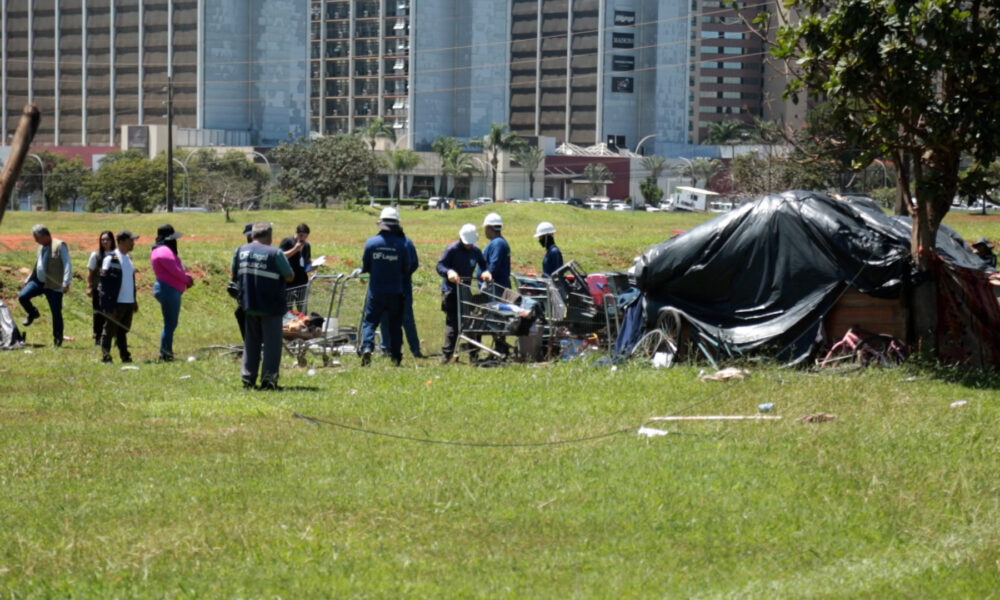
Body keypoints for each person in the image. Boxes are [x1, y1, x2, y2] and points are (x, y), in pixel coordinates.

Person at [232, 222, 293, 390]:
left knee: (251, 341)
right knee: (272, 344)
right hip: (271, 305)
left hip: (249, 303)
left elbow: (235, 273)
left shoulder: (240, 250)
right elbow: (289, 276)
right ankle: (269, 379)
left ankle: (247, 378)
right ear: (269, 236)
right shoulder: (275, 252)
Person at [359, 206, 410, 366]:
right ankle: (396, 356)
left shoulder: (371, 243)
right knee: (395, 324)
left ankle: (367, 347)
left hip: (376, 291)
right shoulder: (402, 244)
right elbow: (406, 267)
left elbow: (365, 266)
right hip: (395, 291)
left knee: (370, 322)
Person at [436, 223, 492, 363]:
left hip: (465, 291)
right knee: (453, 324)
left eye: (471, 244)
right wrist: (449, 272)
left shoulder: (476, 251)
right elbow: (440, 266)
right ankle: (447, 356)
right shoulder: (452, 249)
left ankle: (473, 354)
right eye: (467, 243)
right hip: (451, 291)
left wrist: (485, 271)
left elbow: (483, 264)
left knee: (471, 322)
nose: (468, 246)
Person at [19, 224, 72, 347]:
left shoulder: (60, 245)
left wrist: (66, 281)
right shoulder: (41, 246)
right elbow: (38, 264)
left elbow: (67, 264)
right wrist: (28, 279)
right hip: (38, 282)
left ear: (44, 236)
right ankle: (33, 313)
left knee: (56, 312)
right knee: (23, 296)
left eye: (37, 237)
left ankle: (58, 338)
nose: (35, 240)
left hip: (54, 285)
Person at [379, 211, 423, 358]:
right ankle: (408, 349)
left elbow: (413, 264)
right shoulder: (405, 241)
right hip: (399, 287)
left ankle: (392, 348)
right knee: (400, 318)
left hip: (393, 287)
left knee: (400, 318)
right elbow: (414, 264)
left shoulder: (403, 242)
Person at [151, 224, 194, 361]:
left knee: (170, 323)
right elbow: (175, 271)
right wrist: (187, 279)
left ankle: (166, 351)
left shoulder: (159, 250)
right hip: (168, 289)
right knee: (170, 324)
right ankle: (165, 353)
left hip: (167, 288)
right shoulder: (164, 251)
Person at [98, 230, 139, 363]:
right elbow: (104, 284)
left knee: (122, 331)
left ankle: (125, 356)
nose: (133, 243)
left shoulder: (128, 258)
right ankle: (106, 356)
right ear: (121, 242)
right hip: (116, 302)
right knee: (109, 330)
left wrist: (134, 299)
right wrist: (108, 306)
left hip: (128, 301)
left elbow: (131, 281)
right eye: (130, 240)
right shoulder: (110, 258)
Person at [481, 212, 512, 356]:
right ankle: (499, 347)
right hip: (497, 286)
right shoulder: (498, 242)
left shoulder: (497, 243)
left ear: (489, 228)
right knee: (496, 318)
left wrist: (487, 274)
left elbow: (493, 265)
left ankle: (500, 348)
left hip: (496, 288)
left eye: (485, 228)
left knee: (496, 318)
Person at [85, 231, 116, 345]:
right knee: (98, 314)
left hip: (114, 290)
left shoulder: (117, 254)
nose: (105, 242)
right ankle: (98, 336)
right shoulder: (96, 255)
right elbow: (90, 273)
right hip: (99, 290)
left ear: (112, 240)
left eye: (107, 239)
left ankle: (114, 336)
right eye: (102, 240)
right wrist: (89, 286)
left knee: (113, 314)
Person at [279, 223, 312, 313]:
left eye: (305, 236)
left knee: (303, 310)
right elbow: (281, 256)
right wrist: (295, 249)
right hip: (289, 281)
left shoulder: (306, 245)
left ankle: (303, 325)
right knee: (287, 310)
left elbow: (307, 261)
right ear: (296, 233)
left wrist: (312, 265)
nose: (302, 238)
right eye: (301, 235)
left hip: (302, 281)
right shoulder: (287, 241)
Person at [230, 223, 254, 344]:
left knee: (242, 313)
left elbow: (234, 271)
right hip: (249, 290)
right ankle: (251, 343)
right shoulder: (267, 250)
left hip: (246, 290)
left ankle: (250, 343)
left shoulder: (239, 250)